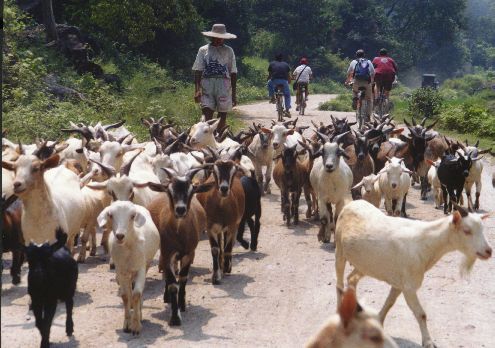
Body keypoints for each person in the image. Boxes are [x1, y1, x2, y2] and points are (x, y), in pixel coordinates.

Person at [192, 24, 237, 131]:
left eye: (220, 37)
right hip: (207, 84)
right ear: (211, 37)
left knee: (222, 116)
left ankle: (219, 138)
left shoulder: (229, 50)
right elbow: (198, 70)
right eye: (216, 37)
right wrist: (197, 90)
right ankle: (206, 137)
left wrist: (234, 94)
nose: (218, 39)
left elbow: (233, 72)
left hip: (224, 85)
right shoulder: (203, 50)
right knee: (207, 114)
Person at [345, 49, 375, 120]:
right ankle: (368, 116)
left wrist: (347, 81)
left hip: (357, 82)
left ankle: (355, 98)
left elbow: (349, 73)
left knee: (355, 91)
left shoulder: (353, 62)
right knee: (369, 99)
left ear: (356, 55)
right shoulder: (368, 61)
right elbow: (373, 72)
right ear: (364, 55)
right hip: (366, 82)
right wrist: (372, 82)